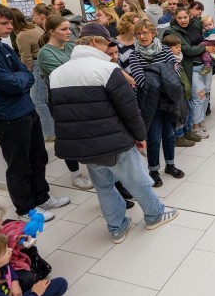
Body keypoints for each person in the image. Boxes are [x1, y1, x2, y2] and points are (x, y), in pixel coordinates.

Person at [48, 23, 179, 241]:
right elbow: (129, 110)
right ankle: (155, 214)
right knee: (138, 180)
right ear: (94, 42)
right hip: (115, 140)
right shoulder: (108, 69)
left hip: (84, 145)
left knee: (103, 186)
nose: (110, 48)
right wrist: (140, 136)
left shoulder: (57, 74)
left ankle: (117, 227)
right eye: (107, 43)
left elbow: (56, 112)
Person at [0, 3, 70, 223]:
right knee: (19, 167)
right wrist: (20, 79)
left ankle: (42, 197)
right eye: (4, 23)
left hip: (27, 111)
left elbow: (27, 74)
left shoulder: (1, 47)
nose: (10, 26)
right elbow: (12, 83)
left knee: (39, 158)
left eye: (10, 21)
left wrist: (20, 79)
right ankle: (26, 208)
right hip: (8, 118)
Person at [37, 15, 94, 191]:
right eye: (64, 29)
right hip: (61, 101)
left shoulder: (71, 46)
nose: (69, 32)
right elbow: (65, 75)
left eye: (69, 28)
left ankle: (94, 169)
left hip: (80, 97)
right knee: (69, 137)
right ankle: (76, 175)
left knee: (87, 134)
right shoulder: (45, 53)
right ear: (51, 31)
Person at [130, 20, 186, 187]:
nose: (142, 36)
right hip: (149, 102)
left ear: (153, 33)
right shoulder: (135, 55)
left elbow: (175, 70)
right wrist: (162, 73)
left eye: (146, 32)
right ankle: (153, 170)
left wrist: (154, 74)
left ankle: (170, 165)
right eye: (139, 33)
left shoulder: (165, 50)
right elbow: (139, 79)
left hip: (167, 100)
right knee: (154, 137)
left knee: (169, 134)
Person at [167, 7, 214, 138]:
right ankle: (195, 126)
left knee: (206, 94)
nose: (183, 20)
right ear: (175, 18)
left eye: (185, 17)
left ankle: (200, 120)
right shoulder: (174, 31)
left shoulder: (194, 24)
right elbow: (187, 49)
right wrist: (206, 48)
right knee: (198, 97)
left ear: (189, 16)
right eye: (180, 18)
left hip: (205, 65)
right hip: (192, 67)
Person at [12, 7, 55, 143]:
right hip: (43, 64)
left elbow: (27, 59)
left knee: (38, 101)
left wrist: (26, 77)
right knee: (43, 100)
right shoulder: (35, 29)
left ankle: (51, 132)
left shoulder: (21, 36)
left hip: (36, 66)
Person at [162, 34, 200, 147]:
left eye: (180, 47)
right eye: (177, 47)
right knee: (180, 116)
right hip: (178, 94)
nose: (180, 49)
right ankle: (179, 136)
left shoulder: (179, 58)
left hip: (185, 93)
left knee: (189, 112)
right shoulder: (169, 61)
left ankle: (187, 132)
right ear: (168, 49)